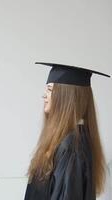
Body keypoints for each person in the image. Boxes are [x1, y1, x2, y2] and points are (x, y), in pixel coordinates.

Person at [25, 62, 109, 200]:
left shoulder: (72, 146)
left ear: (66, 96)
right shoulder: (65, 140)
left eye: (50, 90)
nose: (44, 96)